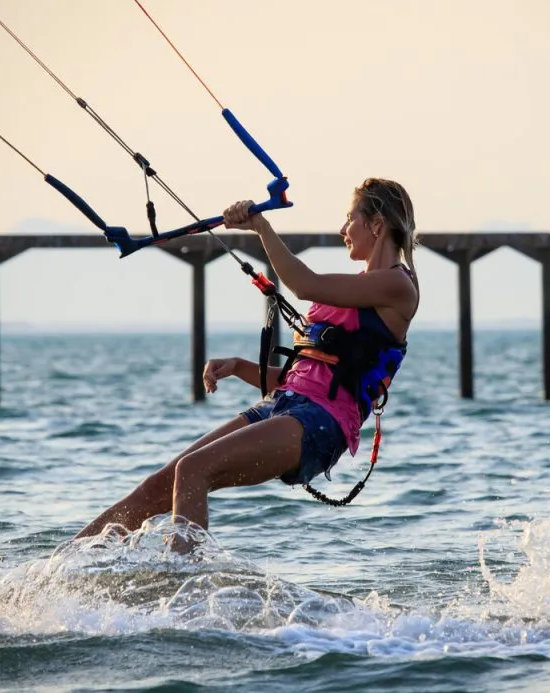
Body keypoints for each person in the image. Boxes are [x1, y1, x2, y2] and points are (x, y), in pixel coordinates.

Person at [75, 178, 419, 546]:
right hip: (286, 405)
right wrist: (240, 367)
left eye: (349, 219)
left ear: (377, 224)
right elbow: (302, 381)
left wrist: (260, 226)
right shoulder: (359, 287)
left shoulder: (398, 287)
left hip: (322, 424)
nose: (342, 229)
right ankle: (59, 571)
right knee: (162, 481)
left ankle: (183, 589)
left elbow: (304, 285)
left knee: (195, 469)